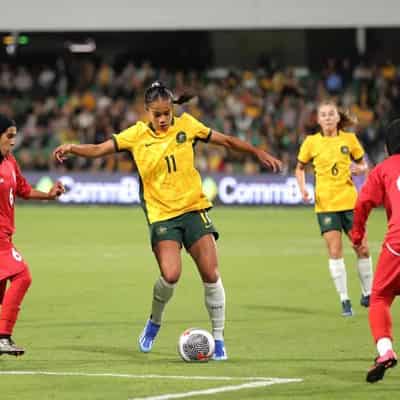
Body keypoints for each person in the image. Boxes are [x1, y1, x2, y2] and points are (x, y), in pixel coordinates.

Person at [53, 81, 282, 360]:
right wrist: (73, 148)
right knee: (171, 275)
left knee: (211, 273)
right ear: (147, 111)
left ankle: (219, 340)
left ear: (172, 108)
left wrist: (257, 152)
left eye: (166, 113)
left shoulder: (187, 125)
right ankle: (155, 321)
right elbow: (100, 149)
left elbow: (227, 141)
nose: (162, 119)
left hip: (193, 208)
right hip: (162, 215)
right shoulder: (135, 135)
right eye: (157, 114)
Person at [295, 100, 373, 317]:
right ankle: (344, 299)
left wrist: (360, 168)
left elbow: (364, 165)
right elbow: (299, 169)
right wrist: (303, 189)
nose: (328, 117)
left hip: (350, 202)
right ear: (318, 120)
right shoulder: (311, 142)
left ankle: (368, 293)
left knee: (363, 248)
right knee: (335, 251)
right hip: (326, 205)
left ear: (338, 118)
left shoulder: (350, 139)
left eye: (331, 114)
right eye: (324, 115)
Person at [0, 114, 65, 356]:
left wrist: (49, 195)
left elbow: (23, 189)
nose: (13, 141)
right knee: (22, 276)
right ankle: (3, 337)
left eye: (14, 136)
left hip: (6, 237)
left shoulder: (9, 161)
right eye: (9, 136)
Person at [350, 119, 400, 383]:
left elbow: (363, 203)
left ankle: (385, 351)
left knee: (379, 297)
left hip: (398, 245)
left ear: (388, 145)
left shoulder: (384, 169)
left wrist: (357, 236)